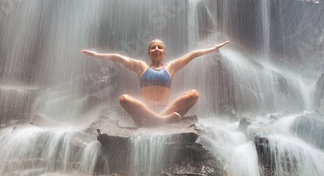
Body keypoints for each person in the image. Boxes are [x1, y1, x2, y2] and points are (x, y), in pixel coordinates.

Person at [82, 39, 229, 126]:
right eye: (153, 47)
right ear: (148, 52)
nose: (156, 49)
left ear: (164, 52)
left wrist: (214, 48)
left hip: (166, 111)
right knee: (124, 99)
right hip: (144, 114)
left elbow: (192, 55)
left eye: (160, 47)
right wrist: (96, 54)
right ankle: (160, 121)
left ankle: (158, 120)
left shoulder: (170, 67)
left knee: (193, 94)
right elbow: (118, 57)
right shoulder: (141, 67)